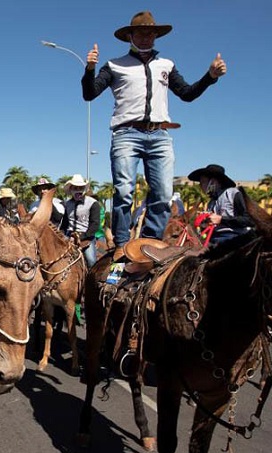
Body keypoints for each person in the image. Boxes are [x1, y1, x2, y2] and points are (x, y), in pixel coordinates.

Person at [82, 11, 227, 261]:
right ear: (130, 36)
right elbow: (89, 93)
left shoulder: (166, 65)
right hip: (126, 134)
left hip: (159, 135)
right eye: (141, 33)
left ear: (156, 36)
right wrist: (90, 69)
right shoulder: (115, 65)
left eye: (151, 33)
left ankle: (150, 241)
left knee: (162, 192)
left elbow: (187, 93)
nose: (147, 37)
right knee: (125, 190)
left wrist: (210, 77)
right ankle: (122, 242)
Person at [187, 164, 254, 246]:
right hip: (214, 238)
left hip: (234, 237)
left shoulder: (233, 193)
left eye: (203, 182)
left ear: (213, 181)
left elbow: (249, 220)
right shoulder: (211, 202)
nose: (200, 185)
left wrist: (221, 220)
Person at [60, 175, 101, 267]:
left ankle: (93, 280)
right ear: (71, 190)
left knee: (91, 261)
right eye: (75, 188)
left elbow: (95, 225)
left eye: (81, 188)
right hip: (69, 236)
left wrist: (80, 237)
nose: (78, 190)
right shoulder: (67, 204)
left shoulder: (93, 203)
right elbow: (64, 224)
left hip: (87, 237)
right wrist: (61, 235)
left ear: (84, 190)